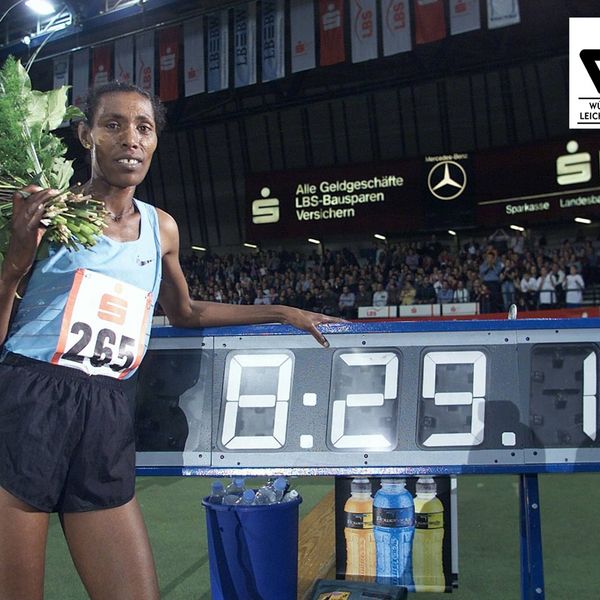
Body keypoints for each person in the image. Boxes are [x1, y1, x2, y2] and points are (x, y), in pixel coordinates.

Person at [0, 82, 342, 600]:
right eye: (112, 125)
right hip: (29, 403)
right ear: (85, 135)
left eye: (144, 127)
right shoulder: (47, 213)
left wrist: (282, 312)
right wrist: (15, 262)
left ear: (155, 141)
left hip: (108, 414)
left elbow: (184, 312)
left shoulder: (161, 228)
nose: (129, 139)